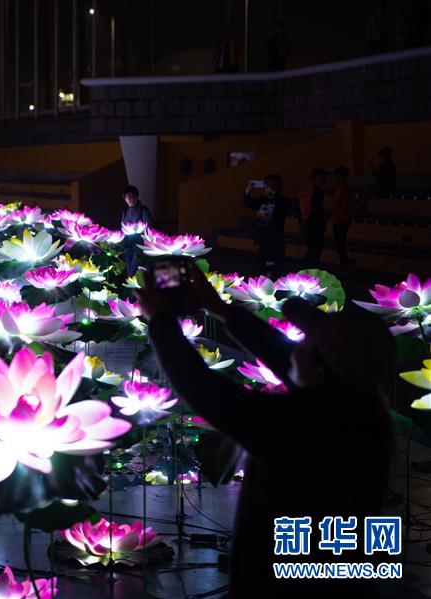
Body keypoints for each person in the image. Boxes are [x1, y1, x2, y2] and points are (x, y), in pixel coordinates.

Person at [135, 268, 394, 598]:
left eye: (307, 342)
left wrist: (161, 321)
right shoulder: (360, 409)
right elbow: (283, 354)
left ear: (318, 373)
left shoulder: (299, 426)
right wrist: (219, 308)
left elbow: (203, 389)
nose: (295, 345)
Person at [242, 175, 290, 277]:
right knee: (262, 266)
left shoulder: (283, 201)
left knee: (273, 267)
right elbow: (247, 202)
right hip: (263, 237)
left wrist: (267, 217)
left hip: (275, 239)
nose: (264, 188)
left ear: (273, 187)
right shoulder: (262, 200)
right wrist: (248, 189)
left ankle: (272, 279)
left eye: (267, 186)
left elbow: (279, 217)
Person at [298, 167, 328, 268]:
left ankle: (309, 268)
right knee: (314, 247)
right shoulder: (310, 190)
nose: (324, 179)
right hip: (312, 222)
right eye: (322, 177)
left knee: (315, 247)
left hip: (315, 221)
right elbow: (307, 207)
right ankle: (309, 268)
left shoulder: (315, 190)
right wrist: (303, 221)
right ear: (316, 177)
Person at [120, 185, 153, 276]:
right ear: (125, 199)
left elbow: (149, 227)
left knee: (137, 272)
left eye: (134, 196)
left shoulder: (143, 210)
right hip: (128, 246)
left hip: (140, 246)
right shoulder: (125, 212)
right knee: (129, 272)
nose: (132, 199)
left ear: (137, 197)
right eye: (129, 197)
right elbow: (123, 229)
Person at [330, 166, 357, 272]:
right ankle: (344, 265)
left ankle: (344, 266)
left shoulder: (341, 188)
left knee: (340, 245)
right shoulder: (343, 188)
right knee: (340, 244)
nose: (334, 177)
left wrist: (339, 219)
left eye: (336, 175)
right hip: (342, 220)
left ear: (341, 176)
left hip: (340, 220)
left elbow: (340, 205)